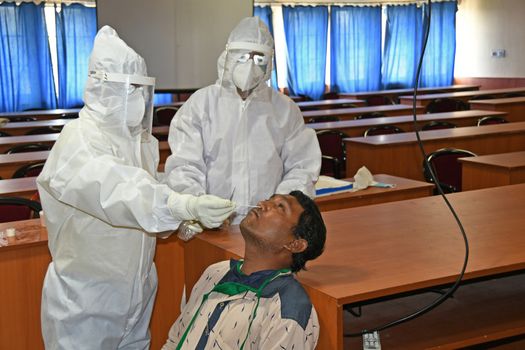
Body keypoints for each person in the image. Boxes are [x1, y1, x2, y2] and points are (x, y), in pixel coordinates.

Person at [37, 26, 234, 350]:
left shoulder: (140, 142)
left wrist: (181, 220)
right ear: (103, 88)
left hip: (137, 293)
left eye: (143, 91)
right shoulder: (78, 141)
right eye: (131, 90)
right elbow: (119, 192)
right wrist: (178, 206)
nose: (141, 100)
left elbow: (147, 196)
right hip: (86, 303)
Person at [164, 17, 322, 226]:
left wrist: (277, 208)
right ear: (228, 57)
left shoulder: (285, 109)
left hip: (267, 228)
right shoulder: (202, 104)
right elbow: (184, 165)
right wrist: (200, 206)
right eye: (242, 57)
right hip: (213, 226)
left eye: (259, 59)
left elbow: (302, 166)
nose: (249, 66)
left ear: (269, 63)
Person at [162, 190, 326, 350]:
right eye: (270, 199)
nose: (262, 204)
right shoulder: (216, 272)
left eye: (280, 207)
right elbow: (175, 340)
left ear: (294, 244)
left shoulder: (288, 309)